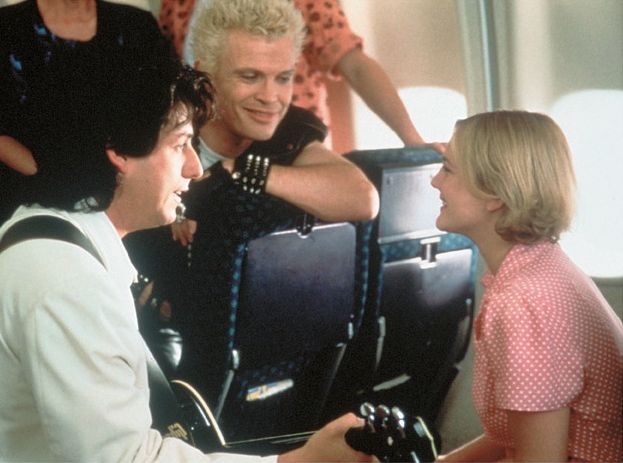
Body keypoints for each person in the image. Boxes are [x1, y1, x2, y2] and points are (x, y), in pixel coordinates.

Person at [0, 56, 374, 462]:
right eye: (181, 144)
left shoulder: (45, 231)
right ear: (119, 152)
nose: (194, 168)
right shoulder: (66, 282)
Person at [125, 0, 380, 426]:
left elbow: (362, 197)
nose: (270, 97)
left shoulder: (286, 134)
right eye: (249, 76)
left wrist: (241, 172)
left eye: (283, 78)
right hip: (155, 337)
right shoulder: (158, 132)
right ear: (205, 73)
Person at [431, 110, 623, 462]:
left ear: (494, 194)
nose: (435, 182)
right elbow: (514, 436)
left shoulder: (523, 302)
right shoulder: (541, 265)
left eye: (448, 169)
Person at [158, 0, 444, 152]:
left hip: (291, 147)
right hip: (207, 146)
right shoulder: (179, 3)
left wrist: (411, 137)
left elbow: (354, 65)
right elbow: (170, 78)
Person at [0, 0, 172, 177]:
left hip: (127, 185)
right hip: (32, 189)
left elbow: (167, 110)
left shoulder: (138, 26)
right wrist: (53, 177)